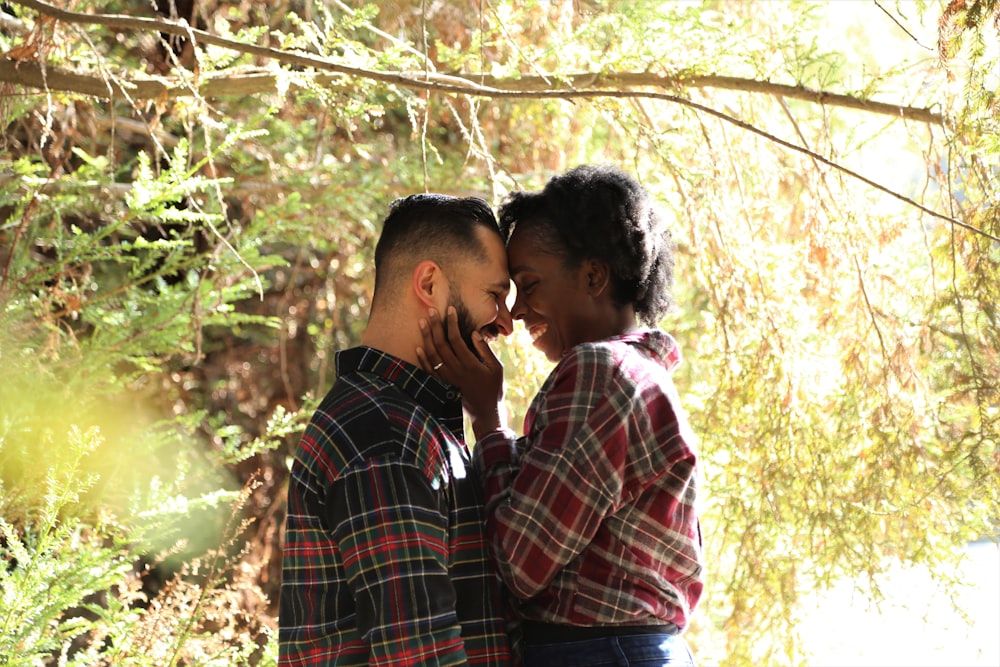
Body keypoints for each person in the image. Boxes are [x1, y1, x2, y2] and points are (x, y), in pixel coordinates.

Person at [416, 165, 704, 667]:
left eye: (528, 285)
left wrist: (487, 417)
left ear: (592, 275)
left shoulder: (601, 371)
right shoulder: (637, 375)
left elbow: (519, 561)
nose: (517, 312)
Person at [279, 193, 516, 666]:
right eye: (494, 296)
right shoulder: (383, 436)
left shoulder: (410, 421)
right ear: (429, 283)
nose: (506, 324)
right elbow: (421, 656)